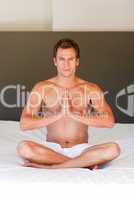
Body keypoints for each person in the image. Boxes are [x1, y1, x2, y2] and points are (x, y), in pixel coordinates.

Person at [16, 38, 120, 169]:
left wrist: (74, 115)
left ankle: (55, 166)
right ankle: (82, 164)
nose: (66, 64)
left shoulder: (90, 88)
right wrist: (58, 115)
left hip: (81, 149)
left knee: (114, 149)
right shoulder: (42, 87)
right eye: (62, 59)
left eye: (70, 59)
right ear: (55, 61)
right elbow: (25, 123)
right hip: (52, 149)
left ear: (77, 61)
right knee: (23, 148)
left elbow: (109, 121)